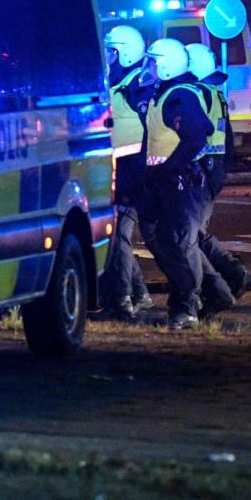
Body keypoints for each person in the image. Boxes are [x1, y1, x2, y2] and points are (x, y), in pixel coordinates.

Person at [138, 38, 235, 330]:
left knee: (179, 243)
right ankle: (214, 294)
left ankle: (187, 309)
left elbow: (198, 135)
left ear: (166, 66)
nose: (149, 68)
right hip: (167, 184)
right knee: (170, 240)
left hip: (183, 184)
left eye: (154, 63)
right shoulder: (166, 94)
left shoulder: (180, 96)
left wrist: (169, 167)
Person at [185, 43, 251, 303]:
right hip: (212, 170)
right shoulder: (214, 94)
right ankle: (232, 276)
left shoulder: (199, 95)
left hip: (202, 170)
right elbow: (226, 139)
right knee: (192, 234)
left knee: (190, 235)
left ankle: (232, 277)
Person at [95, 25, 155, 321]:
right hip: (118, 173)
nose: (106, 56)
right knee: (118, 239)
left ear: (124, 53)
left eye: (111, 51)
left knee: (117, 239)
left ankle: (120, 304)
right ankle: (140, 294)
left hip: (132, 174)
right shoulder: (120, 82)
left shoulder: (137, 86)